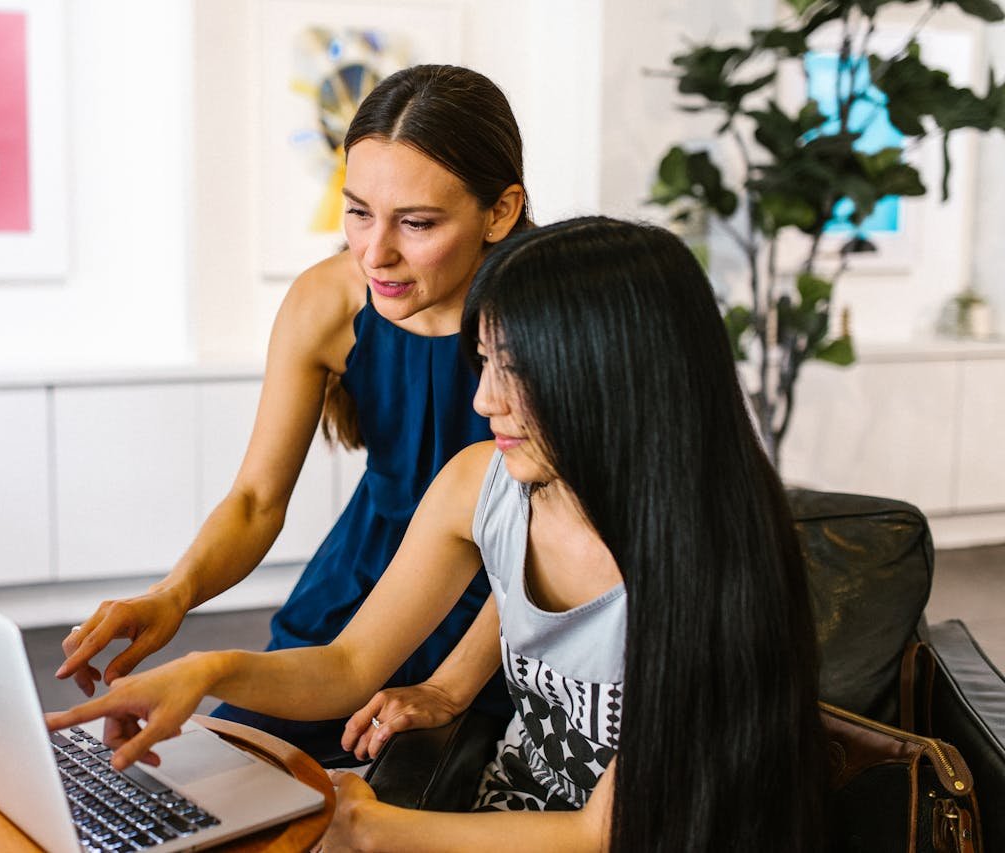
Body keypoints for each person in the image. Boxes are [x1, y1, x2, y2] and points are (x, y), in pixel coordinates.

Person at [47, 217, 827, 851]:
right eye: (483, 362)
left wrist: (374, 824)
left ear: (606, 377)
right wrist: (206, 669)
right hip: (507, 810)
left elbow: (605, 831)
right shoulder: (481, 484)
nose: (485, 398)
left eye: (515, 370)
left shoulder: (709, 560)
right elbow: (348, 663)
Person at [54, 64, 531, 765]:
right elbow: (254, 499)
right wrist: (175, 593)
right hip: (359, 590)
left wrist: (451, 684)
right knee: (227, 779)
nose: (375, 252)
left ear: (500, 210)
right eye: (359, 210)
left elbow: (562, 541)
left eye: (418, 223)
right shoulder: (327, 302)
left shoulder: (551, 323)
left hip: (502, 613)